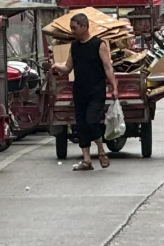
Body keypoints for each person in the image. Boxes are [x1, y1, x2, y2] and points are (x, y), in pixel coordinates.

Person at [50, 13, 120, 171]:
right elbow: (68, 67)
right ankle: (86, 160)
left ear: (84, 26)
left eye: (74, 28)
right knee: (81, 125)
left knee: (92, 121)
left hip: (96, 91)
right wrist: (56, 66)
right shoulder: (74, 46)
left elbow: (108, 67)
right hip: (79, 90)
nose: (72, 31)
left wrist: (114, 87)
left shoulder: (99, 44)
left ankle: (101, 151)